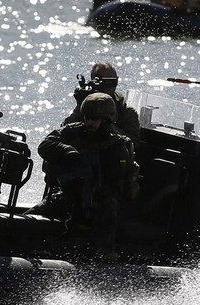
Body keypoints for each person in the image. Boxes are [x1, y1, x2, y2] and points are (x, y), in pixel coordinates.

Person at [38, 93, 140, 260]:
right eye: (86, 117)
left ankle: (103, 255)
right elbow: (45, 145)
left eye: (94, 118)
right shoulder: (73, 132)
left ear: (106, 120)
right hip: (70, 193)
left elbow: (115, 181)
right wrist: (65, 150)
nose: (89, 122)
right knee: (37, 212)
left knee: (109, 207)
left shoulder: (117, 146)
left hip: (100, 198)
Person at [64, 62, 142, 143]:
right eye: (100, 80)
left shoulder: (125, 111)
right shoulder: (87, 106)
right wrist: (80, 107)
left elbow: (133, 143)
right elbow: (63, 133)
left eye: (109, 80)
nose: (105, 85)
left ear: (116, 80)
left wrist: (107, 124)